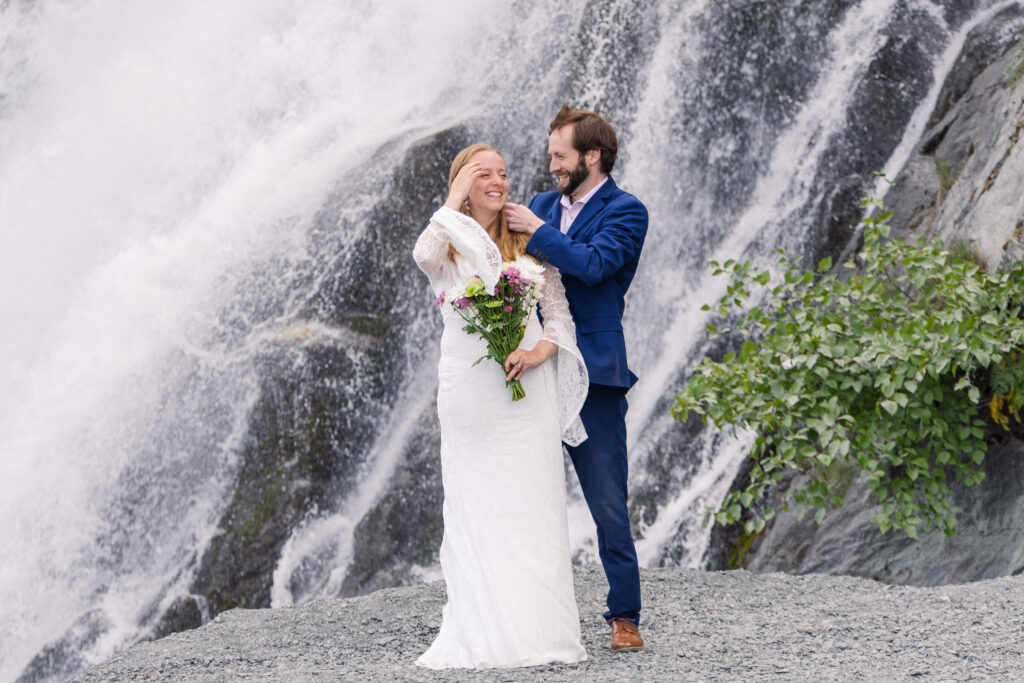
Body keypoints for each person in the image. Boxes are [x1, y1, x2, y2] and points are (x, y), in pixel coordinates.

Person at [412, 143, 590, 669]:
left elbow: (558, 314)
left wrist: (537, 352)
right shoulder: (446, 240)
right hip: (470, 392)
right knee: (476, 502)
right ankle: (484, 627)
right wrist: (454, 197)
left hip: (525, 389)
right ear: (463, 180)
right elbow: (423, 257)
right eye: (482, 174)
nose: (497, 181)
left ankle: (540, 633)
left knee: (532, 500)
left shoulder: (528, 237)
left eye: (503, 173)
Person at [505, 105, 648, 652]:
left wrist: (538, 231)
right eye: (550, 156)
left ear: (592, 156)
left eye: (560, 156)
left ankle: (625, 617)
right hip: (529, 364)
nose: (551, 167)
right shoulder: (541, 204)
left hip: (595, 372)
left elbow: (593, 266)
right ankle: (519, 609)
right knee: (520, 490)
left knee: (608, 500)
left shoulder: (628, 211)